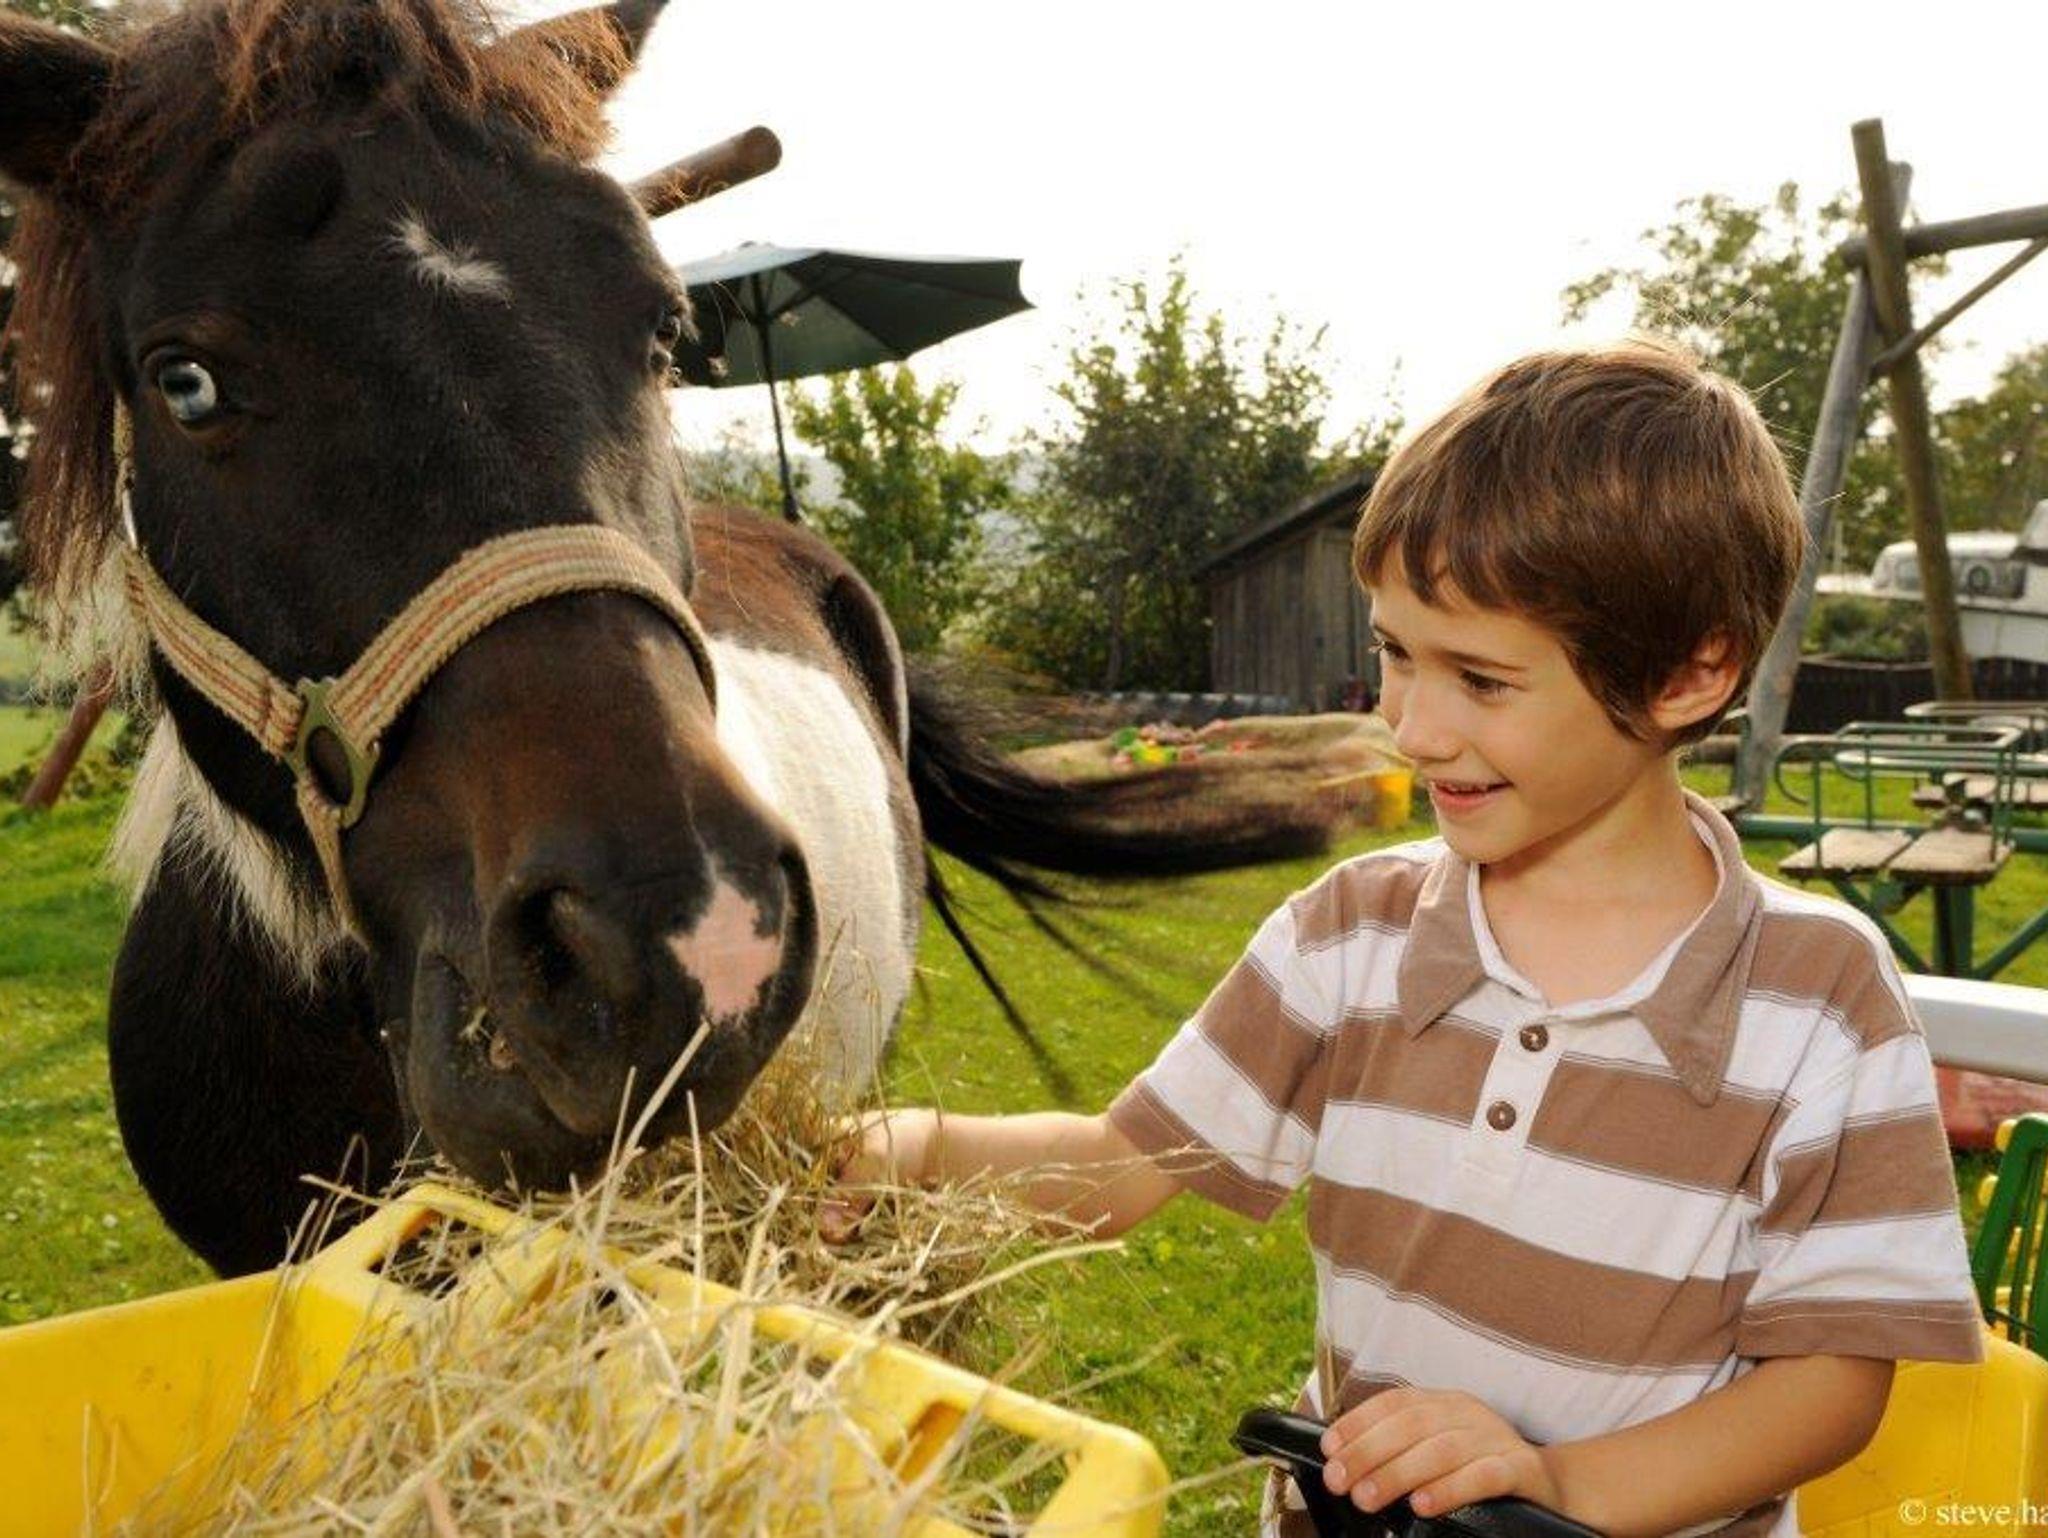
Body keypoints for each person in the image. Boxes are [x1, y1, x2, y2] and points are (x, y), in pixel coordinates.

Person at [829, 339, 1984, 1538]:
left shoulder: (1817, 997)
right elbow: (1121, 1163)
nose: (1411, 727)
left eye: (1479, 680)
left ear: (1688, 674)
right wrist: (918, 1148)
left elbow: (1829, 1383)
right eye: (1393, 652)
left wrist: (1558, 1485)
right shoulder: (1351, 935)